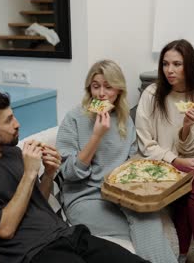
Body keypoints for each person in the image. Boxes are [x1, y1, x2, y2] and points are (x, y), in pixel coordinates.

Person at [0, 89, 148, 263]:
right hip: (36, 252)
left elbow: (38, 202)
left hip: (70, 235)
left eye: (13, 116)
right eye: (8, 120)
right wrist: (29, 173)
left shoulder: (13, 153)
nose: (17, 124)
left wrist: (49, 174)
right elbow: (5, 229)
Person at [56, 59, 177, 263]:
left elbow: (129, 165)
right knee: (145, 228)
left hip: (119, 196)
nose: (101, 93)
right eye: (96, 86)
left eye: (108, 87)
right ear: (89, 89)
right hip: (85, 198)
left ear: (119, 91)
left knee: (148, 217)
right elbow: (68, 173)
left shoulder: (124, 120)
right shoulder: (74, 118)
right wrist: (96, 136)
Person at [135, 39, 194, 263]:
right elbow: (145, 143)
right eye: (165, 64)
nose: (169, 70)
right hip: (156, 161)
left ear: (189, 65)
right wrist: (174, 160)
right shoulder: (151, 94)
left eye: (177, 64)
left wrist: (187, 128)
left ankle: (180, 255)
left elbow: (193, 148)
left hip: (187, 160)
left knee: (187, 186)